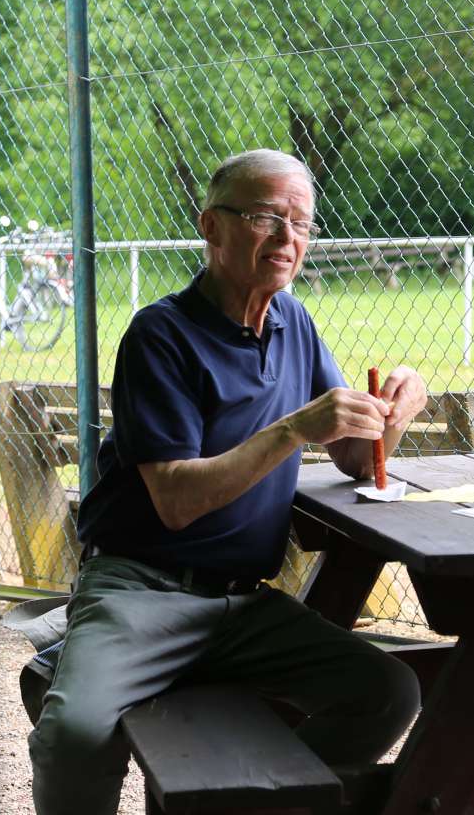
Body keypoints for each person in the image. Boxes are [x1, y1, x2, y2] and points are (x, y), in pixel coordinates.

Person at [27, 149, 426, 815]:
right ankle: (80, 654)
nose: (288, 238)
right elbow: (177, 501)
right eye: (268, 217)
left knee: (390, 692)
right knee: (73, 733)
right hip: (141, 592)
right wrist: (295, 429)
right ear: (211, 227)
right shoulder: (162, 335)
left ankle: (240, 804)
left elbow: (358, 460)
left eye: (302, 224)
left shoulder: (294, 321)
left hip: (244, 606)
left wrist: (396, 415)